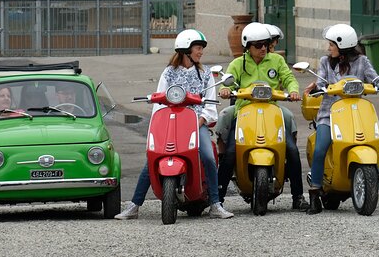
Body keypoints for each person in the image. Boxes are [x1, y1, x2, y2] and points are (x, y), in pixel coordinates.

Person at [115, 29, 234, 220]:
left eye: (201, 48)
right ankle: (135, 205)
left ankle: (215, 204)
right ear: (185, 49)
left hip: (196, 124)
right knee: (153, 159)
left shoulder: (205, 74)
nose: (201, 52)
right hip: (171, 124)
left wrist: (200, 121)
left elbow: (210, 103)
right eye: (197, 48)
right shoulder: (168, 73)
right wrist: (157, 125)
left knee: (208, 156)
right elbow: (159, 101)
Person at [303, 23, 379, 214]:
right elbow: (321, 81)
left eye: (332, 45)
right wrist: (316, 87)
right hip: (330, 113)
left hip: (356, 112)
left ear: (342, 46)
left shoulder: (362, 61)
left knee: (375, 147)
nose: (329, 48)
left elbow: (374, 78)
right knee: (320, 149)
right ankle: (315, 195)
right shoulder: (326, 62)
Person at [217, 22, 310, 211]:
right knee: (230, 152)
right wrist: (226, 89)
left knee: (291, 149)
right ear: (247, 47)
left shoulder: (276, 61)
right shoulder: (238, 63)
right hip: (244, 111)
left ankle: (298, 196)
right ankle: (217, 199)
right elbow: (226, 82)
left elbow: (289, 78)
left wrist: (293, 91)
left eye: (266, 44)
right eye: (258, 45)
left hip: (272, 109)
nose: (263, 49)